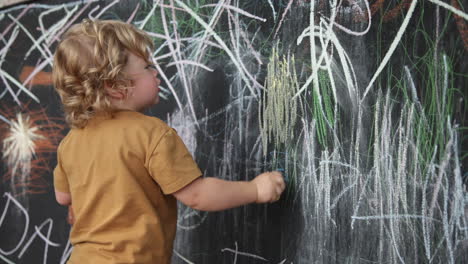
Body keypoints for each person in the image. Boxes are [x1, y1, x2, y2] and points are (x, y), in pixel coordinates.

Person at [52, 19, 285, 264]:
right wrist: (256, 189)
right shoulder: (151, 134)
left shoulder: (70, 143)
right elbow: (196, 195)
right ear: (116, 87)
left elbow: (63, 197)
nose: (155, 72)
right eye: (146, 67)